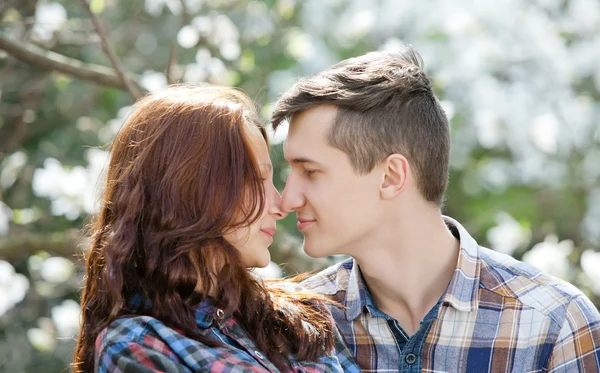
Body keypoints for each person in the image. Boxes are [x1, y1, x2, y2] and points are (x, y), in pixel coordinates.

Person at [271, 47, 600, 372]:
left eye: (311, 172)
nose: (286, 201)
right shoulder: (296, 326)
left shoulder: (554, 325)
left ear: (391, 177)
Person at [72, 85, 360, 373]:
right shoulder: (137, 344)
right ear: (191, 190)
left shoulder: (301, 318)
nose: (280, 204)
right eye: (258, 179)